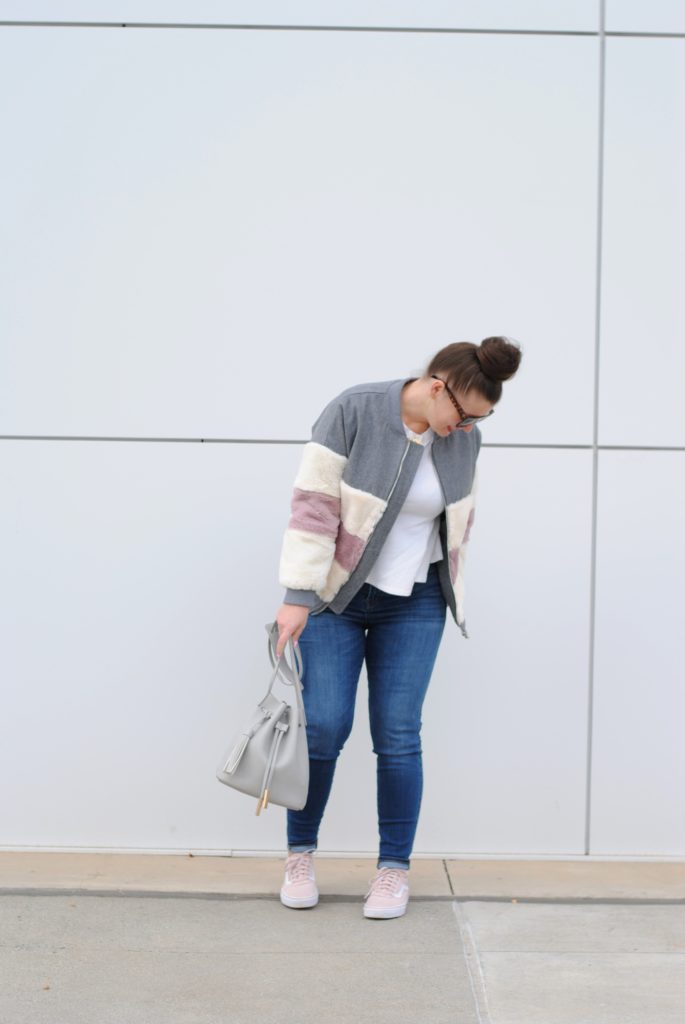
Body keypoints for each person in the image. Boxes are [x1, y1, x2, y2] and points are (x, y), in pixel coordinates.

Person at [274, 336, 522, 919]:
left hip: (414, 603)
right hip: (335, 600)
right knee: (324, 728)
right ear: (438, 388)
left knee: (399, 734)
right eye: (464, 417)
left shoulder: (465, 439)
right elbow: (313, 506)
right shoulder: (354, 410)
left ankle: (392, 870)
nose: (466, 431)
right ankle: (300, 855)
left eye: (479, 422)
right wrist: (297, 596)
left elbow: (453, 524)